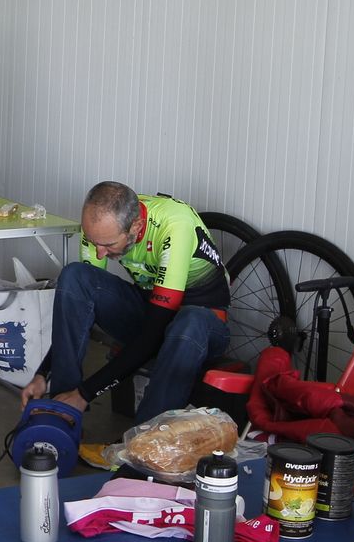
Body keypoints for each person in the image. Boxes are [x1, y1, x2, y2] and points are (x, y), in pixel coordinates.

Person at [21, 182, 230, 431]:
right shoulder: (102, 230)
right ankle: (62, 413)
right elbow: (77, 308)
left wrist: (86, 393)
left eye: (108, 246)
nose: (99, 253)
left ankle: (144, 445)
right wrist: (44, 373)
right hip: (152, 311)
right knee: (75, 276)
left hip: (200, 327)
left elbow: (152, 336)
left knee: (188, 322)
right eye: (93, 242)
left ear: (136, 227)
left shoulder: (175, 227)